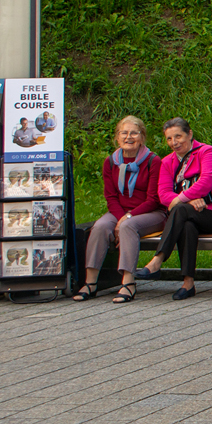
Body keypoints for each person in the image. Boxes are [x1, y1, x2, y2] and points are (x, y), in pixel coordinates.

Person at [73, 117, 166, 302]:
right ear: (117, 137)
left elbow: (153, 200)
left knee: (127, 226)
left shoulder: (153, 161)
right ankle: (90, 282)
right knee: (100, 227)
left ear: (142, 137)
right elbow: (111, 197)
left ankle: (128, 282)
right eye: (124, 133)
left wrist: (127, 218)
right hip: (120, 211)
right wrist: (122, 216)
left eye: (134, 133)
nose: (128, 137)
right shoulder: (110, 162)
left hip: (151, 213)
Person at [141, 118, 212, 300]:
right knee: (186, 224)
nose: (174, 142)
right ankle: (188, 284)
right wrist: (189, 201)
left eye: (178, 136)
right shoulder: (167, 162)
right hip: (188, 214)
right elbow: (163, 194)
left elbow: (206, 182)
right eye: (169, 138)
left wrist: (180, 200)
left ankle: (158, 260)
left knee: (180, 210)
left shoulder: (206, 152)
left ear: (190, 134)